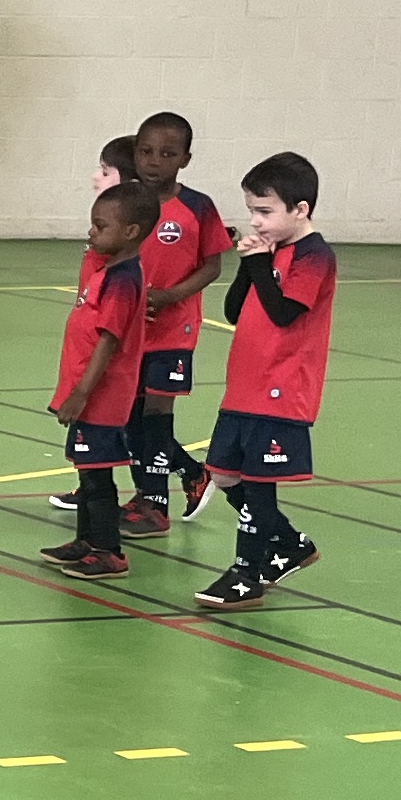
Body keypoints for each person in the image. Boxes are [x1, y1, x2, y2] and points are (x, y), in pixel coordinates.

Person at [195, 153, 337, 611]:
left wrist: (261, 262)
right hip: (245, 384)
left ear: (300, 209)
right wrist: (249, 262)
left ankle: (247, 575)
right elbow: (234, 311)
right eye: (252, 210)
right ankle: (290, 544)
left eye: (265, 211)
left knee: (258, 483)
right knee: (223, 474)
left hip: (281, 387)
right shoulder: (271, 251)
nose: (256, 221)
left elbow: (284, 313)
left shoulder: (314, 256)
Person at [43, 177, 160, 578]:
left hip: (102, 397)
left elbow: (109, 341)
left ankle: (109, 551)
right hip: (88, 393)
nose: (91, 232)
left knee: (97, 476)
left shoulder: (124, 280)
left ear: (131, 232)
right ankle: (87, 540)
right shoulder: (108, 268)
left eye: (100, 226)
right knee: (86, 470)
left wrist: (81, 393)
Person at [124, 114, 227, 533]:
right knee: (128, 416)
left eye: (167, 154)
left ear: (185, 159)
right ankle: (184, 475)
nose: (154, 161)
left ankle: (155, 505)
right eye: (146, 152)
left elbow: (212, 266)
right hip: (129, 329)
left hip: (173, 330)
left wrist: (169, 297)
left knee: (156, 412)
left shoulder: (198, 207)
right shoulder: (124, 202)